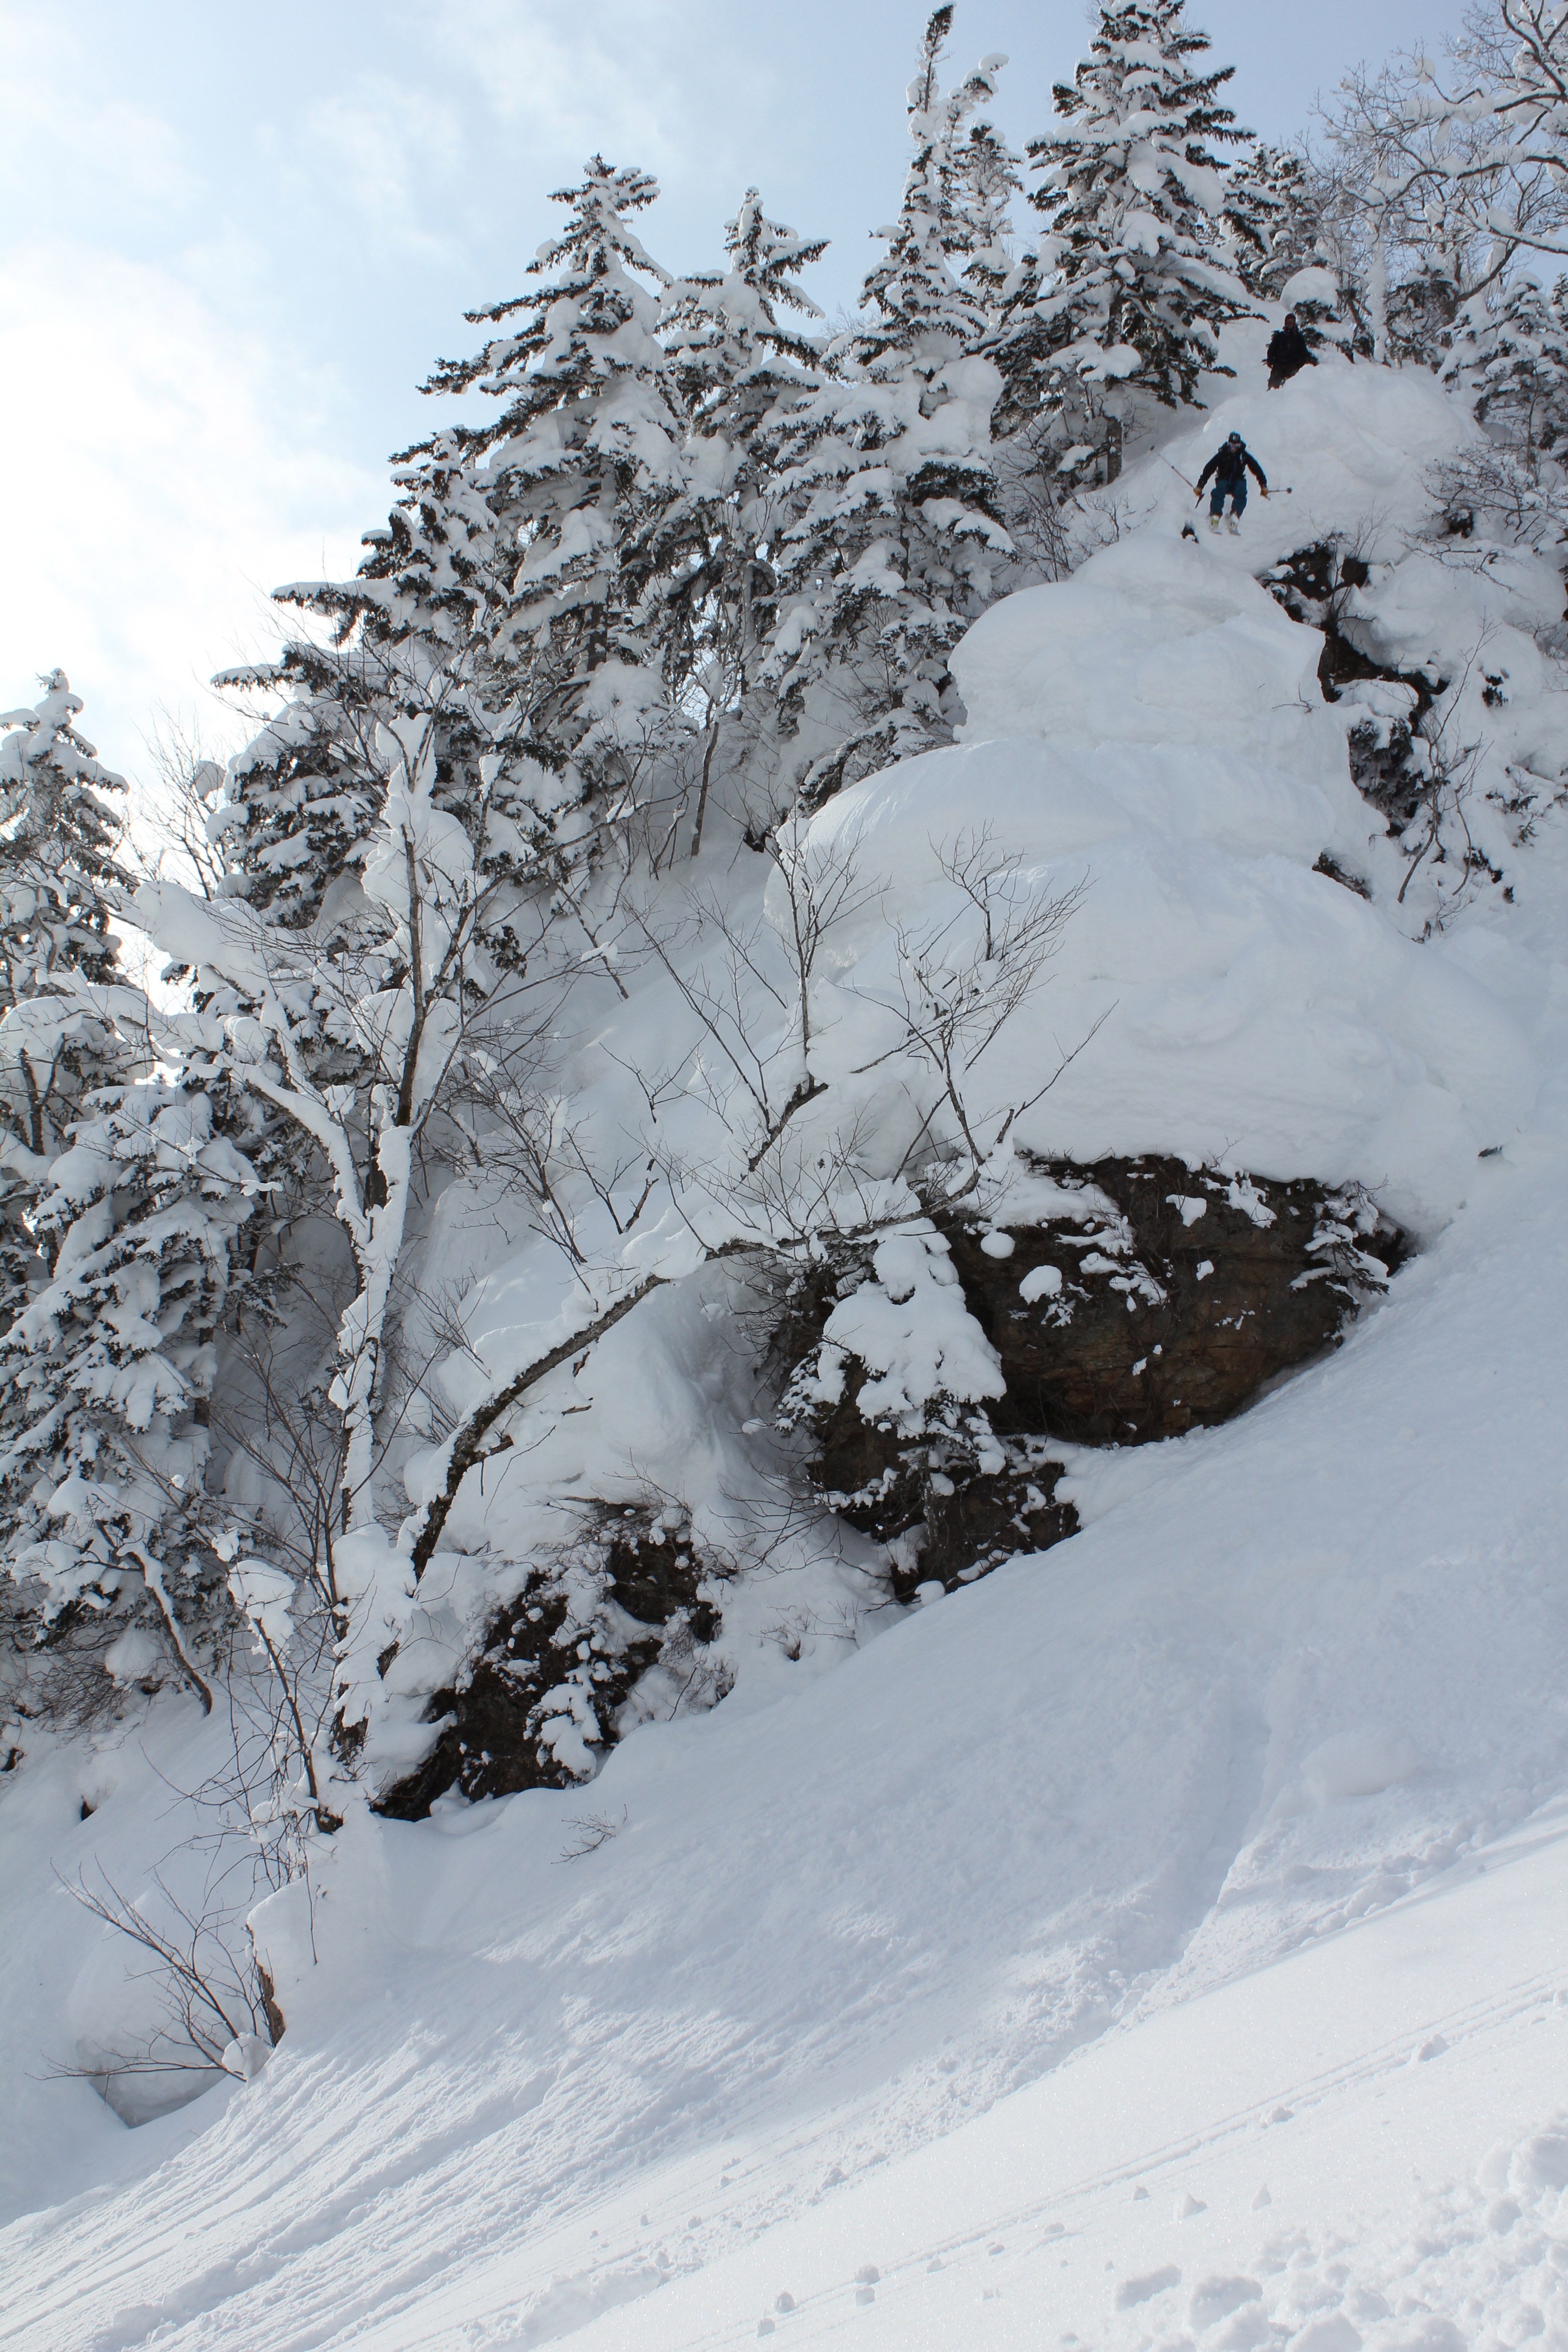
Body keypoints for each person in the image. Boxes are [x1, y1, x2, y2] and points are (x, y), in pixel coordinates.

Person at [1195, 432, 1268, 533]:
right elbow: (1209, 469)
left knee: (1242, 490)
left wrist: (1263, 485)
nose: (1234, 448)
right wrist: (1200, 485)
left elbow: (1257, 469)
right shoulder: (1222, 454)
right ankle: (1215, 516)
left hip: (1237, 480)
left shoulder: (1243, 455)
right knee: (1219, 490)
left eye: (1236, 446)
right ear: (1228, 443)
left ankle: (1235, 516)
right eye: (1232, 445)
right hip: (1224, 479)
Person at [1266, 312, 1317, 389]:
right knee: (1274, 386)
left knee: (1293, 387)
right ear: (1285, 323)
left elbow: (1303, 352)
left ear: (1294, 323)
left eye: (1292, 322)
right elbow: (1272, 350)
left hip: (1293, 365)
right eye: (1288, 322)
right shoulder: (1280, 337)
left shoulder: (1299, 337)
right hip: (1279, 365)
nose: (1290, 323)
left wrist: (1300, 364)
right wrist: (1270, 361)